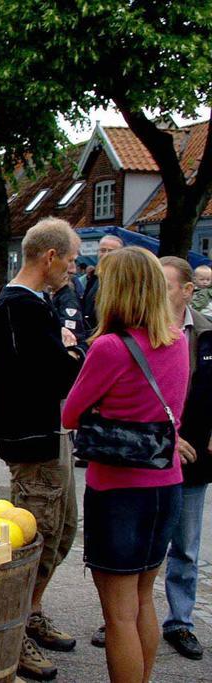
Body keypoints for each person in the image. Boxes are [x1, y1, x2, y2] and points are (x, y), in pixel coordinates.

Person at [62, 247, 188, 683]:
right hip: (166, 481)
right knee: (144, 599)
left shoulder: (111, 348)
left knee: (118, 615)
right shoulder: (178, 340)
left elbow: (70, 414)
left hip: (118, 490)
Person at [0, 217, 87, 680]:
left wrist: (62, 349)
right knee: (36, 536)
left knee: (61, 531)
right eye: (72, 259)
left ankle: (33, 611)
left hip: (48, 432)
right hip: (31, 438)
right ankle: (14, 629)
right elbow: (57, 376)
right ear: (50, 257)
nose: (74, 268)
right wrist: (71, 354)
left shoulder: (28, 306)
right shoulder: (21, 308)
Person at [157, 256, 212, 661]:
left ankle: (180, 621)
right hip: (148, 456)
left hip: (195, 456)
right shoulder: (139, 330)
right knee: (140, 542)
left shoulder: (208, 334)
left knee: (187, 547)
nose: (158, 292)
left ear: (189, 290)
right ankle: (123, 617)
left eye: (167, 285)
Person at [81, 234, 124, 335]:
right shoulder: (93, 277)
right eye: (103, 250)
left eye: (111, 251)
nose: (106, 254)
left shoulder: (122, 280)